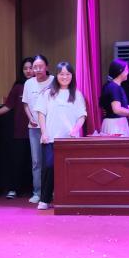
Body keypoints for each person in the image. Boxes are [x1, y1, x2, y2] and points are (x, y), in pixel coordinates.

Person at [36, 61, 87, 211]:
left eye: (68, 74)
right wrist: (44, 132)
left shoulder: (77, 94)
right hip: (50, 138)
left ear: (72, 76)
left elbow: (82, 116)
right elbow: (41, 113)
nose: (64, 77)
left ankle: (69, 199)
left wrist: (75, 130)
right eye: (61, 74)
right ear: (56, 75)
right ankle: (44, 199)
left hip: (70, 140)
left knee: (70, 169)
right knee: (49, 167)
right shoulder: (48, 93)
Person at [0, 57, 34, 198]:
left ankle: (37, 190)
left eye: (30, 68)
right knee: (18, 160)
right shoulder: (18, 87)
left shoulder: (42, 85)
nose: (28, 71)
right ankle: (14, 189)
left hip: (39, 130)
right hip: (21, 129)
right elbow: (8, 106)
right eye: (25, 68)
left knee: (36, 162)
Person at [22, 54, 54, 204]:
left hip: (51, 128)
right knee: (36, 161)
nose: (37, 69)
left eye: (41, 66)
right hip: (34, 128)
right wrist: (30, 118)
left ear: (47, 67)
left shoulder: (54, 81)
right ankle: (37, 192)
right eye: (35, 67)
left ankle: (52, 191)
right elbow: (25, 104)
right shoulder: (29, 83)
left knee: (51, 161)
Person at [100, 58, 129, 136]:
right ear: (120, 71)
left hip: (117, 123)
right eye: (127, 69)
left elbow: (118, 106)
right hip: (114, 125)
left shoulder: (116, 86)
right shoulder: (114, 87)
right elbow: (117, 109)